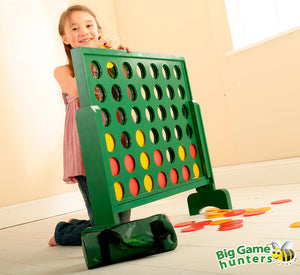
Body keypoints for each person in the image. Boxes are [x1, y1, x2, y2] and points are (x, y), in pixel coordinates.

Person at [49, 4, 131, 246]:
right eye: (74, 28)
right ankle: (63, 233)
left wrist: (117, 55)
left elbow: (130, 87)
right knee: (107, 228)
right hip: (87, 153)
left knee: (119, 222)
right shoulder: (63, 72)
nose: (83, 31)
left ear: (99, 32)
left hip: (115, 146)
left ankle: (82, 225)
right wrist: (98, 54)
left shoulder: (109, 63)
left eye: (88, 25)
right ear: (65, 38)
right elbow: (79, 90)